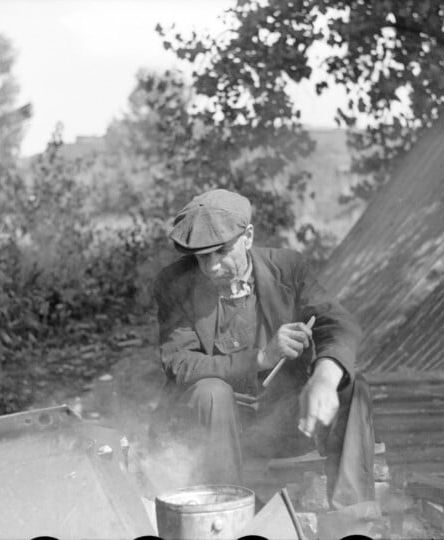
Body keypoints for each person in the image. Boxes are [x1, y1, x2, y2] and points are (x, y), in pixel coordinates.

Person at [150, 188, 376, 511]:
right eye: (202, 257)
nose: (211, 267)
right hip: (217, 430)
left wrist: (325, 378)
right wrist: (259, 358)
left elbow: (338, 323)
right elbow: (180, 363)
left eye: (221, 252)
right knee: (211, 391)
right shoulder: (174, 285)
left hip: (284, 420)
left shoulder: (288, 269)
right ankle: (225, 513)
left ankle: (352, 514)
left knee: (352, 384)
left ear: (248, 237)